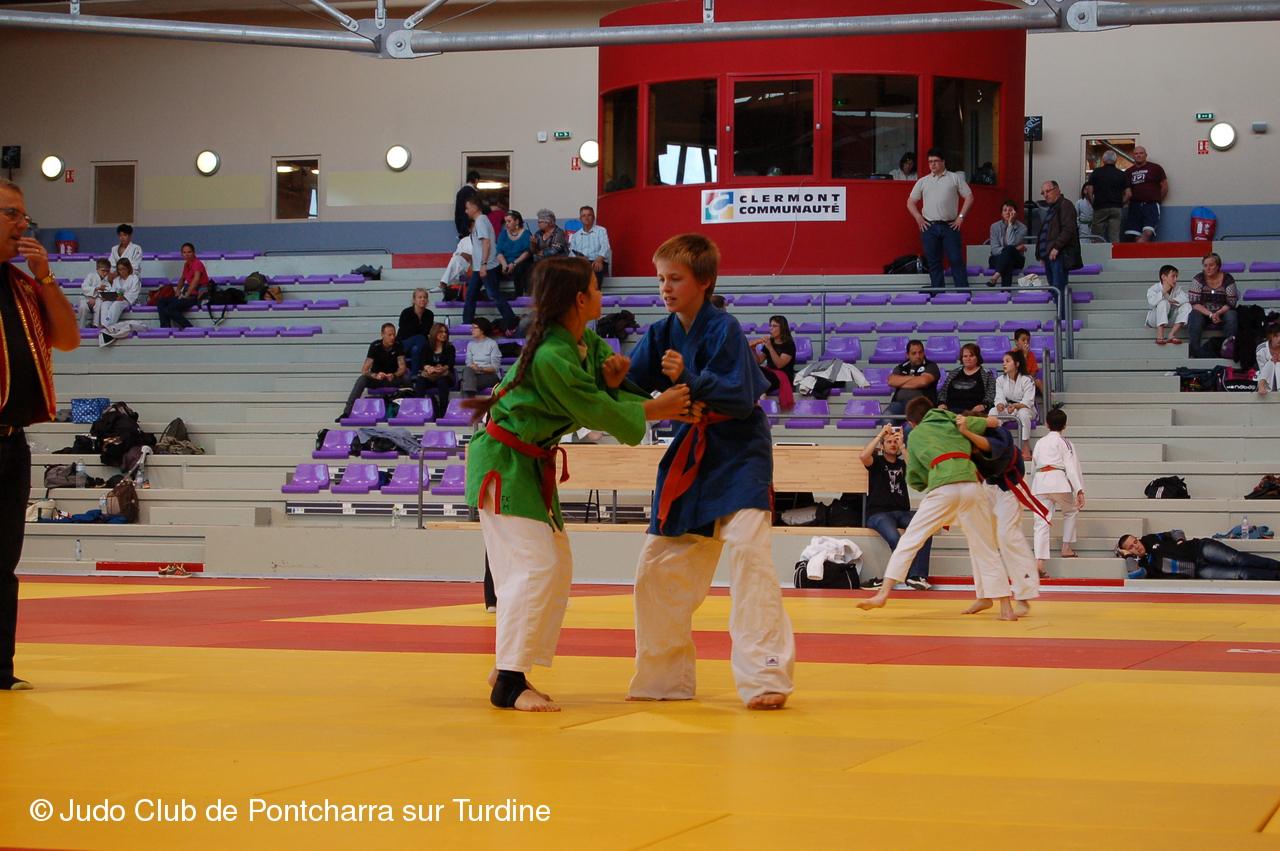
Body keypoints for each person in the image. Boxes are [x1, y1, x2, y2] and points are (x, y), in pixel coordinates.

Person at [461, 256, 693, 711]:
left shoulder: (584, 341)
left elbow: (608, 393)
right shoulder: (551, 355)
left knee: (555, 565)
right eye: (596, 288)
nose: (603, 295)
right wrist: (659, 409)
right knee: (534, 568)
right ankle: (509, 682)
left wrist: (624, 387)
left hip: (530, 464)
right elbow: (594, 410)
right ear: (580, 299)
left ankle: (509, 665)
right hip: (505, 464)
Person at [625, 233, 795, 710]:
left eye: (675, 278)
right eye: (661, 279)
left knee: (749, 554)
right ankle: (664, 678)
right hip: (692, 455)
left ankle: (766, 676)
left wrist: (688, 379)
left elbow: (740, 397)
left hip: (740, 452)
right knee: (658, 565)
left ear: (705, 281)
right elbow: (631, 388)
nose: (665, 287)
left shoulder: (725, 328)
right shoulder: (659, 334)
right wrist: (621, 380)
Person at [1, 178, 81, 690]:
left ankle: (0, 670)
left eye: (24, 215)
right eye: (11, 213)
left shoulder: (24, 286)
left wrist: (46, 276)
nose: (23, 223)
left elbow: (69, 340)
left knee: (3, 562)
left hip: (11, 442)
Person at [857, 398, 1017, 620]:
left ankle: (883, 593)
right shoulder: (953, 418)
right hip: (971, 484)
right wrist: (965, 425)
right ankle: (1005, 607)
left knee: (911, 539)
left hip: (944, 487)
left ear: (912, 423)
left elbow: (916, 478)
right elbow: (994, 421)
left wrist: (925, 477)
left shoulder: (916, 435)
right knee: (985, 546)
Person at [958, 415, 1041, 616]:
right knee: (976, 535)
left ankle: (1023, 594)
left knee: (1007, 535)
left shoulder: (999, 434)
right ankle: (984, 595)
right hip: (988, 487)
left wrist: (967, 430)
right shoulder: (964, 440)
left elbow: (989, 446)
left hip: (1011, 487)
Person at [860, 424, 932, 591]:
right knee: (895, 538)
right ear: (882, 446)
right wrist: (880, 435)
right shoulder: (877, 462)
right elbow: (863, 456)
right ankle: (908, 576)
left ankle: (917, 576)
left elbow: (914, 469)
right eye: (889, 442)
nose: (892, 444)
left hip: (903, 512)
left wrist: (903, 445)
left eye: (894, 442)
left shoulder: (902, 462)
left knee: (927, 529)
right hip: (879, 513)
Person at [907, 148, 973, 290]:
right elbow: (910, 202)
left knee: (956, 260)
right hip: (929, 226)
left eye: (936, 161)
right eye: (930, 161)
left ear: (943, 162)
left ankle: (964, 293)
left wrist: (961, 217)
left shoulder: (954, 178)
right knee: (934, 262)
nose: (933, 164)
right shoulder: (923, 181)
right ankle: (938, 294)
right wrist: (918, 217)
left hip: (950, 225)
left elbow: (969, 197)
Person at [1031, 408, 1085, 579]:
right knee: (1071, 511)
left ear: (1046, 424)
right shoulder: (1065, 443)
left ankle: (1039, 561)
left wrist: (1034, 484)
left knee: (1041, 521)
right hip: (1058, 481)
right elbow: (1071, 467)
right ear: (1065, 426)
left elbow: (1033, 467)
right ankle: (1066, 547)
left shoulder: (1039, 443)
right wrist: (1079, 490)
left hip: (1040, 482)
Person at [1118, 531, 1280, 581]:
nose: (1136, 546)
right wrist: (1126, 556)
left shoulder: (1149, 539)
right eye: (1131, 547)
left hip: (1200, 549)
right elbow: (1135, 574)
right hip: (1198, 571)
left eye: (1135, 541)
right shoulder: (1143, 565)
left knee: (1237, 559)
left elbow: (1175, 532)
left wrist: (1180, 540)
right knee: (1239, 574)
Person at [461, 198, 517, 327]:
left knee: (494, 295)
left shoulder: (481, 222)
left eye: (467, 208)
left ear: (474, 208)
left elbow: (486, 243)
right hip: (480, 266)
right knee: (470, 294)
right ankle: (467, 322)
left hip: (486, 266)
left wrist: (483, 264)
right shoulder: (484, 220)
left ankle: (511, 320)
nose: (465, 211)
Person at [337, 323, 407, 421]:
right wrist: (375, 375)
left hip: (391, 378)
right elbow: (364, 370)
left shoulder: (398, 345)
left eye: (394, 334)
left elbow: (403, 368)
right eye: (389, 335)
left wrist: (394, 375)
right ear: (382, 335)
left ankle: (407, 411)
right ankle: (347, 412)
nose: (392, 337)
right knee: (362, 379)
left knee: (407, 378)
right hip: (377, 378)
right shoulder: (375, 346)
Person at [1036, 180, 1079, 314]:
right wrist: (1042, 254)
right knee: (1055, 290)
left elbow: (1068, 230)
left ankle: (1063, 319)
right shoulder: (1053, 209)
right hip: (1050, 256)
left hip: (1058, 255)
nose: (1045, 195)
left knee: (1059, 289)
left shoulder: (1065, 205)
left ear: (1057, 190)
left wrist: (1056, 248)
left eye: (1048, 191)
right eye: (1043, 193)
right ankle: (1061, 317)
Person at [1188, 252, 1239, 358]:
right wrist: (1211, 314)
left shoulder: (1228, 279)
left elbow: (1231, 303)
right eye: (1205, 265)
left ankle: (1229, 348)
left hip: (1223, 311)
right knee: (1194, 315)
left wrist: (1218, 313)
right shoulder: (1198, 279)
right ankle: (1195, 351)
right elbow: (1194, 303)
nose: (1208, 268)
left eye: (1211, 265)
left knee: (1232, 316)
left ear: (1218, 266)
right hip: (1204, 312)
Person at [884, 339, 940, 423]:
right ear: (907, 355)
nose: (918, 356)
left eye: (920, 352)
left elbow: (923, 381)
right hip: (899, 403)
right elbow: (891, 381)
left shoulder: (931, 366)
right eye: (914, 353)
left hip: (920, 404)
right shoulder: (902, 367)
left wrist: (901, 382)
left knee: (910, 427)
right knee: (887, 417)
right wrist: (915, 378)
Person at [156, 243, 208, 330]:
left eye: (189, 252)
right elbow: (182, 279)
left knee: (169, 309)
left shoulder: (197, 264)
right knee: (161, 301)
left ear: (194, 253)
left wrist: (187, 294)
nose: (187, 255)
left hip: (195, 295)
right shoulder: (186, 265)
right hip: (187, 294)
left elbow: (196, 279)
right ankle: (165, 327)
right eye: (184, 252)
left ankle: (189, 328)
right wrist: (178, 290)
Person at [995, 349, 1036, 458]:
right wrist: (1000, 405)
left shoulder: (1027, 379)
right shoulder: (1000, 380)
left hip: (1026, 409)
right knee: (993, 412)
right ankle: (996, 445)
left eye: (1007, 361)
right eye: (1003, 361)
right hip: (1009, 408)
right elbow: (999, 397)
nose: (1004, 364)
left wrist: (1016, 406)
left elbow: (1028, 401)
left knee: (1023, 413)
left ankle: (1025, 447)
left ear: (1017, 364)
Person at [1124, 146, 1168, 243]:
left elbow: (1165, 187)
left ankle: (1136, 250)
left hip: (1151, 205)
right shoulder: (1128, 172)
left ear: (1146, 155)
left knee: (1148, 233)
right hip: (1134, 206)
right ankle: (1139, 252)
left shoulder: (1156, 168)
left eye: (1141, 153)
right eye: (1136, 153)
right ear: (1133, 156)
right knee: (1135, 236)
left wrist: (1156, 199)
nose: (1139, 155)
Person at [938, 343, 996, 414]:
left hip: (974, 412)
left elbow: (991, 393)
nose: (968, 359)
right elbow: (943, 391)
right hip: (951, 410)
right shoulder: (953, 373)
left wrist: (984, 405)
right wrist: (941, 403)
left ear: (977, 357)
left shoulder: (987, 374)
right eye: (965, 356)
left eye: (971, 356)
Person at [414, 323, 456, 418]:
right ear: (434, 333)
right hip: (430, 375)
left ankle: (443, 413)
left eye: (445, 332)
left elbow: (450, 363)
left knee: (442, 381)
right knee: (420, 381)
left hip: (444, 375)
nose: (443, 334)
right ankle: (418, 410)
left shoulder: (450, 348)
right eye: (440, 332)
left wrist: (443, 368)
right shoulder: (426, 347)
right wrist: (429, 368)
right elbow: (423, 362)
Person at [751, 315, 796, 405]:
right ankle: (762, 394)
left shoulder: (789, 344)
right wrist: (753, 351)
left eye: (774, 326)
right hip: (769, 373)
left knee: (759, 373)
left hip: (783, 376)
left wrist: (770, 348)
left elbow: (780, 364)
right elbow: (759, 361)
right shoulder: (770, 342)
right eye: (770, 326)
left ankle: (761, 396)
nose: (771, 329)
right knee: (752, 368)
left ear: (782, 328)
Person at [1087, 150, 1128, 243]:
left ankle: (1098, 252)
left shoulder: (1097, 172)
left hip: (1100, 206)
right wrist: (1120, 204)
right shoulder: (1121, 174)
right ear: (1116, 160)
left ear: (1103, 160)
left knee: (1097, 237)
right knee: (1114, 237)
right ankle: (1115, 252)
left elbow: (1089, 191)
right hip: (1116, 208)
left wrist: (1094, 204)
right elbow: (1129, 193)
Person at [985, 200, 1028, 288]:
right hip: (997, 259)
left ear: (1015, 213)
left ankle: (996, 276)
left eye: (1010, 210)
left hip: (1017, 260)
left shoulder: (1022, 228)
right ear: (1001, 214)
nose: (1008, 213)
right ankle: (1005, 291)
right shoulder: (994, 227)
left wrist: (1010, 224)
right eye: (1005, 210)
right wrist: (1015, 248)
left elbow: (1010, 242)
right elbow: (994, 250)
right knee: (1008, 260)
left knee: (1009, 250)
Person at [1147, 264, 1190, 346]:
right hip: (1155, 319)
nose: (1176, 279)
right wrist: (1163, 292)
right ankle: (1160, 336)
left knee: (1187, 306)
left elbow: (1186, 298)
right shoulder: (1154, 289)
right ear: (1164, 277)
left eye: (1176, 276)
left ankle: (1172, 334)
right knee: (1163, 303)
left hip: (1170, 318)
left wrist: (1171, 300)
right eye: (1173, 276)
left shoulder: (1177, 288)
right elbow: (1152, 302)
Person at [461, 317, 503, 398]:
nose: (471, 330)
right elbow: (468, 362)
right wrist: (473, 367)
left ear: (482, 330)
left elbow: (495, 368)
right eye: (471, 327)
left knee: (464, 384)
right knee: (466, 370)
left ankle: (468, 403)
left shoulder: (492, 344)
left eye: (474, 328)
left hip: (490, 376)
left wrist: (480, 369)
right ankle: (470, 401)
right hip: (474, 375)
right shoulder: (470, 345)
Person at [397, 287, 435, 377]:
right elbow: (405, 332)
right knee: (419, 337)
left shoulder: (429, 314)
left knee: (416, 349)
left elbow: (426, 331)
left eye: (425, 297)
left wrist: (417, 331)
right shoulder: (406, 313)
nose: (423, 299)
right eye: (420, 297)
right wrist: (418, 333)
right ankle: (427, 363)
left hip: (419, 344)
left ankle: (415, 376)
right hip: (404, 344)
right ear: (414, 299)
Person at [494, 210, 532, 299]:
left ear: (516, 221)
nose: (507, 224)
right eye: (505, 222)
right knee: (493, 271)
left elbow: (527, 252)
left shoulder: (526, 234)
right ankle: (495, 296)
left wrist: (514, 264)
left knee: (519, 270)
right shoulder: (503, 234)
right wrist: (504, 265)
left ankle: (518, 296)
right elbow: (499, 252)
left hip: (521, 262)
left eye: (509, 221)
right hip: (505, 262)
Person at [569, 205, 611, 284]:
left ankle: (595, 291)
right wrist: (579, 258)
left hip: (598, 262)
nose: (586, 218)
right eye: (584, 216)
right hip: (582, 263)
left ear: (593, 217)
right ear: (580, 219)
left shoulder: (601, 231)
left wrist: (599, 259)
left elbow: (605, 246)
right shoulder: (576, 236)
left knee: (595, 267)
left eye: (589, 215)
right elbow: (572, 252)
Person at [99, 258, 141, 328]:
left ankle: (108, 325)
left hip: (127, 300)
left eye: (123, 269)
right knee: (105, 304)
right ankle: (104, 322)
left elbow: (133, 293)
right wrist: (110, 296)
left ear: (128, 268)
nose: (121, 272)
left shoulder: (134, 278)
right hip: (117, 299)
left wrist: (124, 297)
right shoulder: (117, 279)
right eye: (119, 270)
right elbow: (113, 290)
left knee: (116, 304)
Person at [78, 258, 111, 328]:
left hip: (96, 300)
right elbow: (84, 288)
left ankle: (95, 325)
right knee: (83, 307)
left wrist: (95, 298)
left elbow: (105, 296)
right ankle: (81, 327)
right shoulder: (91, 276)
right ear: (97, 269)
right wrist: (96, 288)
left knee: (99, 302)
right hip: (85, 298)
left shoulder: (107, 283)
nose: (105, 273)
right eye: (103, 271)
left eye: (107, 271)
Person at [440, 232, 472, 296]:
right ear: (470, 229)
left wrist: (472, 258)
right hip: (466, 267)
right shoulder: (464, 241)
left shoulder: (485, 241)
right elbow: (457, 254)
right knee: (455, 259)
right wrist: (464, 255)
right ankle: (444, 284)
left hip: (480, 267)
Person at [454, 170, 479, 239]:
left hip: (462, 227)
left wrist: (459, 229)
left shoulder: (460, 193)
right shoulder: (473, 193)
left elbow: (457, 213)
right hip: (472, 225)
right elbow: (478, 208)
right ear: (476, 180)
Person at [1257, 323, 1280, 395]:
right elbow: (1263, 368)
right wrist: (1272, 361)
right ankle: (1261, 385)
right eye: (1276, 336)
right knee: (1271, 363)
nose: (1279, 339)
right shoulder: (1262, 349)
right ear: (1270, 336)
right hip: (1267, 379)